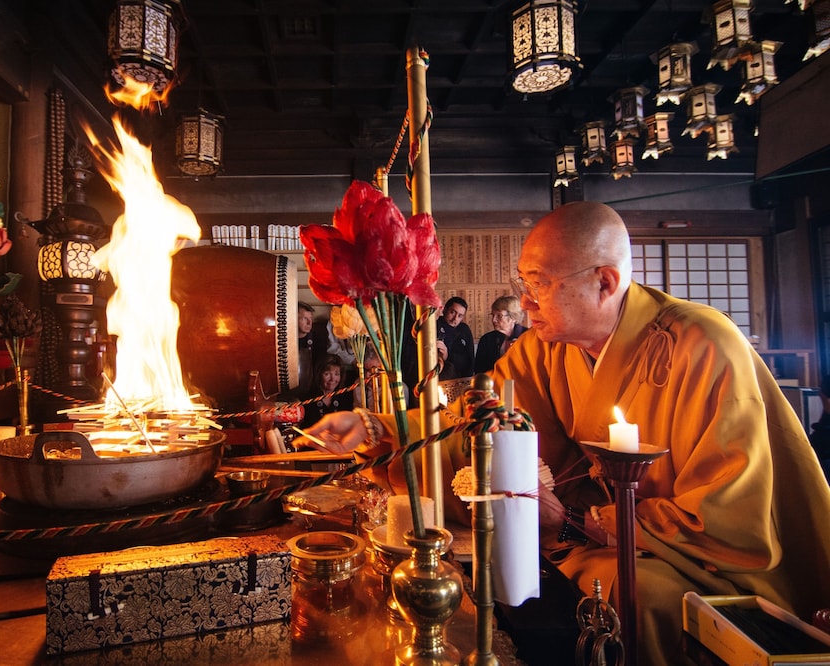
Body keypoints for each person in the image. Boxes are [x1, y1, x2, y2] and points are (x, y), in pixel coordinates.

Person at [305, 201, 830, 665]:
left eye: (540, 285)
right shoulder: (545, 347)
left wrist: (582, 521)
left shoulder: (702, 346)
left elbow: (727, 523)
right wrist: (380, 429)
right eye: (524, 284)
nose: (526, 303)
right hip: (581, 535)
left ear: (604, 281)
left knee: (640, 599)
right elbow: (475, 425)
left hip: (698, 565)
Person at [473, 295, 528, 374]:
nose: (494, 320)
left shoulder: (528, 337)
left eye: (499, 316)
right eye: (493, 315)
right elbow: (480, 372)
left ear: (514, 317)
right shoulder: (486, 340)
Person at [300, 354, 353, 428]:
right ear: (319, 375)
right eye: (327, 374)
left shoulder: (345, 397)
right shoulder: (308, 398)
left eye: (336, 374)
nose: (332, 379)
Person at [436, 296, 474, 380]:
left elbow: (470, 360)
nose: (455, 318)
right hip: (437, 377)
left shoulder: (464, 330)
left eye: (460, 316)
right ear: (445, 309)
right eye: (452, 312)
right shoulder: (435, 325)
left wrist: (447, 355)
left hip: (460, 379)